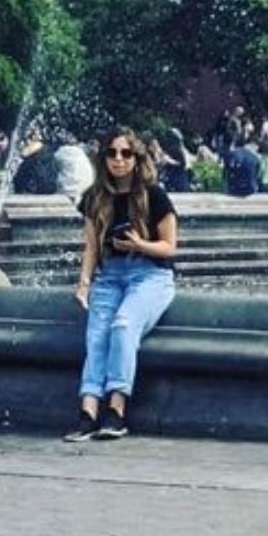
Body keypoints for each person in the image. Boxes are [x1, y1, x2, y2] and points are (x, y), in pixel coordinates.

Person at [65, 127, 178, 442]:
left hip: (151, 274)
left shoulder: (154, 195)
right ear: (103, 159)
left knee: (123, 326)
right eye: (112, 153)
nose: (118, 159)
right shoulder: (94, 197)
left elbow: (170, 247)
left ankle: (116, 409)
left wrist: (140, 244)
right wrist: (84, 284)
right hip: (111, 274)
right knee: (97, 333)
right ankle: (88, 410)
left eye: (125, 153)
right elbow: (90, 247)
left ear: (136, 158)